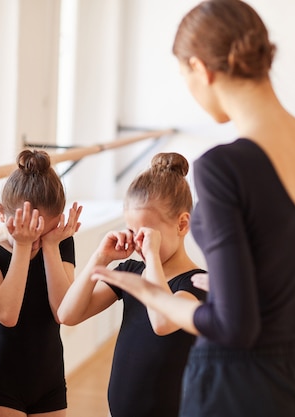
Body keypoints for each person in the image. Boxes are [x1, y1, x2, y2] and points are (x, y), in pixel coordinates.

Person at [91, 1, 295, 416]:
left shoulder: (223, 167)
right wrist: (270, 298)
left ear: (201, 69)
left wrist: (154, 295)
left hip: (233, 387)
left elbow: (234, 326)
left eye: (185, 77)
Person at [58, 152, 207, 417]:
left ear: (182, 224)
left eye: (146, 233)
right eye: (131, 230)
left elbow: (161, 322)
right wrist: (100, 257)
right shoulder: (132, 271)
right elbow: (68, 314)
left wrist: (151, 256)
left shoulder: (197, 285)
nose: (138, 242)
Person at [0, 149, 82, 417]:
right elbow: (7, 314)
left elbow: (62, 311)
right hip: (3, 384)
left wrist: (52, 245)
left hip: (50, 382)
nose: (37, 239)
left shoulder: (60, 241)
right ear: (2, 213)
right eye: (28, 229)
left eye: (47, 230)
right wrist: (22, 246)